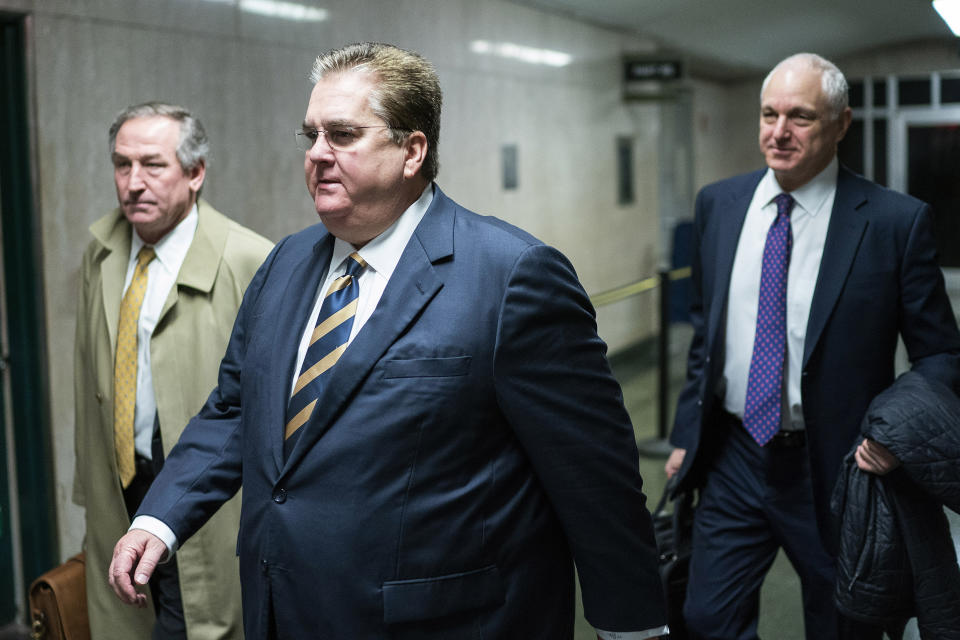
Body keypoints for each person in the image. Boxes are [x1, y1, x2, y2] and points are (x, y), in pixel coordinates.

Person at [106, 43, 668, 639]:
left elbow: (593, 478)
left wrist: (630, 627)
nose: (318, 154)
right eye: (311, 135)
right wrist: (160, 519)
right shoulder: (285, 264)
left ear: (412, 150)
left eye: (343, 134)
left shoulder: (510, 276)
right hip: (284, 609)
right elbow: (235, 409)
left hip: (438, 622)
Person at [665, 52, 960, 640]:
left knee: (841, 624)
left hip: (838, 467)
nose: (778, 132)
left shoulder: (893, 222)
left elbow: (941, 355)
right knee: (705, 619)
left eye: (799, 117)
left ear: (842, 123)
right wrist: (684, 437)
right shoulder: (718, 206)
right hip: (733, 456)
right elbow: (708, 337)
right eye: (768, 114)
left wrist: (894, 436)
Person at [74, 102, 273, 640]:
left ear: (195, 173)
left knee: (202, 619)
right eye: (122, 164)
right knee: (128, 615)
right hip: (124, 477)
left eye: (153, 165)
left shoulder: (251, 259)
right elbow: (86, 376)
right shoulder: (102, 252)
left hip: (203, 486)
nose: (133, 183)